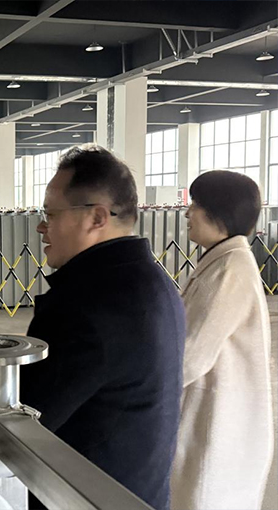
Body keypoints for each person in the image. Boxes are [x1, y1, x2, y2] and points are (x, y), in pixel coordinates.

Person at [20, 145, 185, 510]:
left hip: (82, 497)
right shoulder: (154, 281)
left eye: (50, 214)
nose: (42, 227)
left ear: (96, 217)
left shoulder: (89, 305)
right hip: (138, 494)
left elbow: (24, 421)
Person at [170, 171, 274, 510]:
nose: (188, 213)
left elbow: (190, 357)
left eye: (196, 205)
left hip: (217, 424)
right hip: (212, 418)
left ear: (220, 213)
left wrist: (140, 388)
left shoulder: (229, 270)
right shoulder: (223, 261)